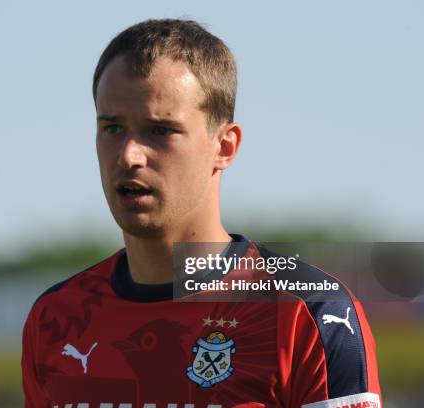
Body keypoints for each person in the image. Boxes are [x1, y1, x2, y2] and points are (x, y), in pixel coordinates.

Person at [21, 19, 381, 407]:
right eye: (112, 128)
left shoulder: (308, 312)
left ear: (224, 146)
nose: (129, 155)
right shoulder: (55, 318)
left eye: (159, 131)